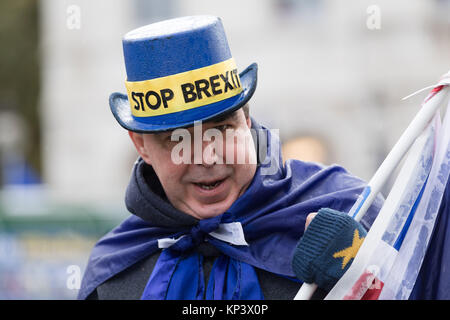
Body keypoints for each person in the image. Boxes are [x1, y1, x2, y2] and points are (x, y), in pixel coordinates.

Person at [78, 15, 384, 300]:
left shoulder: (350, 209)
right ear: (141, 146)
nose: (208, 157)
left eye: (222, 128)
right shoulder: (112, 273)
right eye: (177, 139)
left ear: (246, 121)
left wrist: (372, 276)